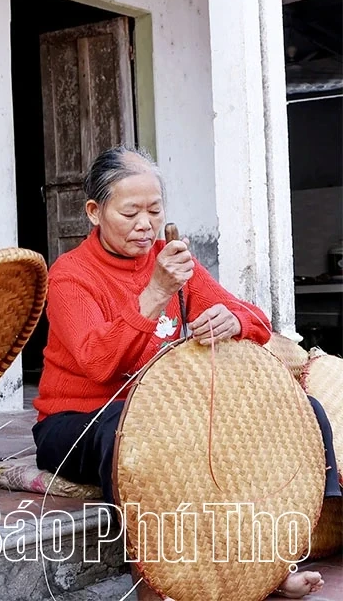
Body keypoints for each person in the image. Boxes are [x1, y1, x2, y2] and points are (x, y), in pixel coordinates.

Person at [31, 145, 338, 600]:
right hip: (81, 420)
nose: (145, 224)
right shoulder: (70, 276)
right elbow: (98, 364)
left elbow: (251, 316)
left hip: (166, 413)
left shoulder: (172, 262)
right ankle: (155, 577)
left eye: (154, 210)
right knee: (137, 434)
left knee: (302, 409)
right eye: (130, 211)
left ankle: (283, 555)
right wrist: (154, 292)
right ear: (94, 212)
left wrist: (234, 321)